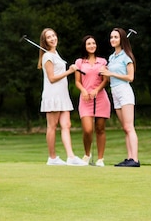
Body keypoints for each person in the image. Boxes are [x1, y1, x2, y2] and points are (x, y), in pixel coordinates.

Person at [37, 28, 86, 166]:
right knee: (52, 127)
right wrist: (69, 71)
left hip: (62, 94)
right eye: (49, 37)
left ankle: (70, 157)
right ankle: (52, 158)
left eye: (53, 35)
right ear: (45, 41)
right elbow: (52, 78)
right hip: (53, 94)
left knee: (66, 125)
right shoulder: (47, 56)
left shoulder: (55, 54)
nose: (52, 39)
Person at [101, 28, 140, 167]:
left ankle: (134, 159)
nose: (113, 39)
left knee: (129, 127)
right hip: (115, 92)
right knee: (125, 127)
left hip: (124, 92)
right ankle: (129, 157)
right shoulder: (112, 58)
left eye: (116, 37)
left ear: (122, 39)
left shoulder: (126, 57)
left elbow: (130, 77)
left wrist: (111, 73)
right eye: (111, 37)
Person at [74, 35, 111, 167]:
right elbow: (77, 82)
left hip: (100, 98)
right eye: (88, 44)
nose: (91, 46)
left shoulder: (103, 62)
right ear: (85, 46)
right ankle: (87, 154)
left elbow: (106, 80)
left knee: (100, 129)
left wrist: (97, 89)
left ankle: (100, 159)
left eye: (93, 43)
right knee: (88, 129)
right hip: (85, 99)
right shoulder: (79, 62)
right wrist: (84, 90)